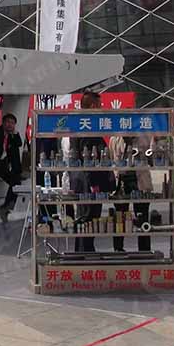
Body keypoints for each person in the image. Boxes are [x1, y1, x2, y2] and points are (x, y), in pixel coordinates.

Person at [72, 91, 114, 253]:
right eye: (100, 105)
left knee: (86, 217)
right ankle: (86, 252)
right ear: (92, 106)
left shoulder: (82, 124)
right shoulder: (86, 127)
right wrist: (93, 184)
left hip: (86, 181)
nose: (102, 108)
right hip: (88, 182)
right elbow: (87, 158)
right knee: (88, 218)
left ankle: (83, 251)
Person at [111, 134, 152, 253]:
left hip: (139, 181)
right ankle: (118, 248)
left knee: (142, 216)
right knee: (119, 216)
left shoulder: (145, 138)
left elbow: (152, 160)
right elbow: (112, 159)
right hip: (121, 181)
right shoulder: (115, 140)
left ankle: (144, 250)